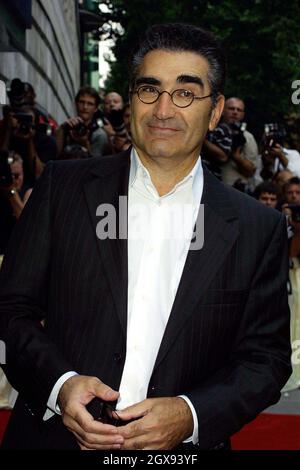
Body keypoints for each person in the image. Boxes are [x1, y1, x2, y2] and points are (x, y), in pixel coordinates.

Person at [0, 23, 291, 451]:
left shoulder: (256, 228)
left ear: (215, 111)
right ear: (132, 99)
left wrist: (191, 414)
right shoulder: (62, 189)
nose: (163, 110)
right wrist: (60, 386)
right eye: (149, 90)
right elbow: (10, 309)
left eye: (186, 93)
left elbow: (266, 360)